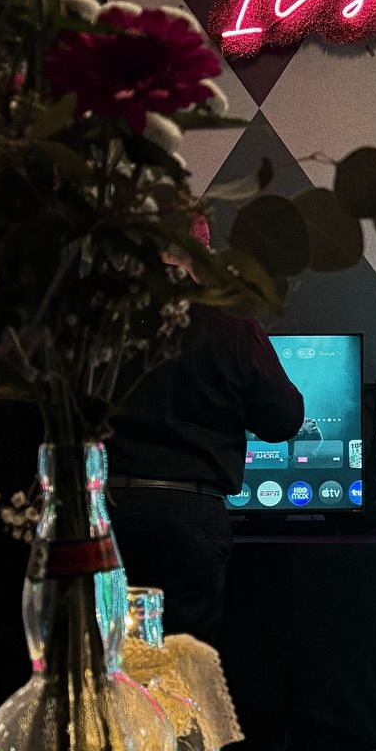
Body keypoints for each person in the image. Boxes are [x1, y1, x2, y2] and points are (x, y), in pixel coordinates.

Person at [107, 217, 303, 646]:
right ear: (202, 255)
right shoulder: (229, 323)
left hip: (106, 513)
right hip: (188, 522)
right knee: (181, 669)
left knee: (105, 666)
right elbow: (284, 417)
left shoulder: (103, 318)